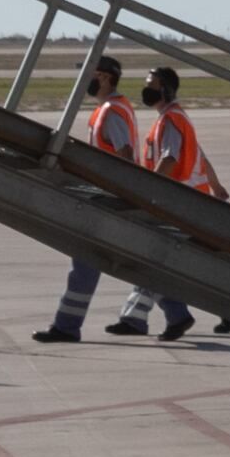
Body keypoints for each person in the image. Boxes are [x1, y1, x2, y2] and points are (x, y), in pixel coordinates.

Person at [34, 56, 183, 342]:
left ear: (104, 77)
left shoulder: (112, 111)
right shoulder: (111, 108)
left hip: (111, 200)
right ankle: (176, 313)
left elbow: (124, 155)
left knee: (88, 261)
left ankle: (66, 326)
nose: (83, 81)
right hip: (111, 197)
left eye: (88, 74)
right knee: (125, 260)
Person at [132, 66, 230, 339]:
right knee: (197, 265)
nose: (147, 89)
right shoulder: (174, 118)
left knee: (161, 261)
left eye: (151, 84)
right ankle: (225, 309)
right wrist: (215, 185)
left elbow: (170, 158)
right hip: (190, 202)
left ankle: (175, 317)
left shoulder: (171, 121)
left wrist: (148, 189)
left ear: (165, 88)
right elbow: (200, 155)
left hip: (180, 204)